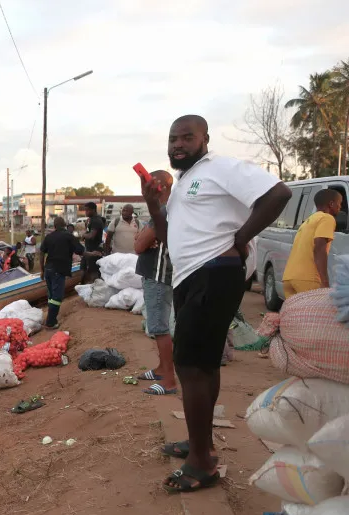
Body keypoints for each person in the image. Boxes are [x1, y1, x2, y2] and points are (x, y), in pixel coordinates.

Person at [143, 114, 291, 493]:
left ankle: (202, 464)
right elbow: (167, 237)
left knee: (191, 365)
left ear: (204, 139)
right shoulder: (184, 182)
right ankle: (201, 444)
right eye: (173, 138)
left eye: (186, 137)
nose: (178, 144)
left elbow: (278, 194)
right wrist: (154, 205)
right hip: (190, 276)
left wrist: (240, 238)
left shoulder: (220, 168)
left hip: (214, 273)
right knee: (204, 364)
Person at [134, 171, 177, 395]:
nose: (144, 189)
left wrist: (143, 238)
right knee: (157, 325)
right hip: (156, 274)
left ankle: (169, 380)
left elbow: (139, 245)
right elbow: (141, 240)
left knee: (159, 327)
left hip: (158, 275)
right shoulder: (164, 210)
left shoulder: (164, 212)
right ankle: (162, 369)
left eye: (148, 184)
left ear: (161, 187)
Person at [282, 188, 343, 296]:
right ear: (331, 204)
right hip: (308, 279)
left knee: (296, 308)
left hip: (289, 278)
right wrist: (325, 281)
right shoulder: (327, 218)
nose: (340, 207)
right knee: (316, 307)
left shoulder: (309, 220)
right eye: (339, 203)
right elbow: (319, 248)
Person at [39, 217, 86, 329]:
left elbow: (41, 253)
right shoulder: (68, 236)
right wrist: (92, 254)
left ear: (54, 226)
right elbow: (81, 251)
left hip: (48, 270)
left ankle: (51, 318)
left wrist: (42, 270)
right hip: (58, 270)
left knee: (51, 296)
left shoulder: (49, 237)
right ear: (65, 224)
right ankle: (50, 322)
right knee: (57, 297)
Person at [81, 202, 106, 284]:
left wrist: (84, 235)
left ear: (93, 210)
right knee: (83, 267)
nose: (86, 212)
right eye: (85, 210)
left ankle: (94, 286)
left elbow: (92, 235)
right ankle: (83, 284)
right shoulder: (91, 220)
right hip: (88, 249)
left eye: (87, 210)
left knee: (93, 272)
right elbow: (89, 232)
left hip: (94, 251)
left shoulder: (96, 220)